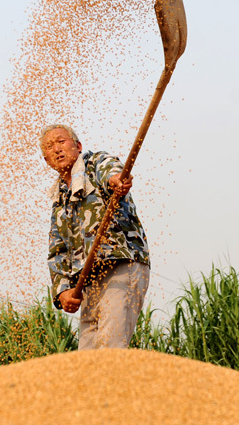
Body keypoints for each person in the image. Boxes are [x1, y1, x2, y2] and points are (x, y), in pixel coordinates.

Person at [40, 124, 150, 350]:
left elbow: (111, 171)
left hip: (121, 265)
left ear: (78, 146)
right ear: (47, 160)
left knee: (110, 347)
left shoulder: (94, 164)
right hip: (89, 282)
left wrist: (117, 181)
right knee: (88, 356)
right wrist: (62, 291)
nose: (57, 149)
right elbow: (57, 250)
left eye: (61, 142)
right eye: (50, 147)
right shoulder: (59, 199)